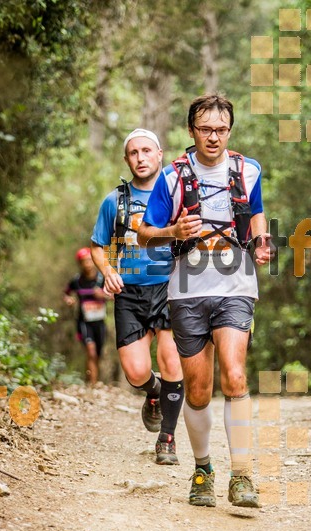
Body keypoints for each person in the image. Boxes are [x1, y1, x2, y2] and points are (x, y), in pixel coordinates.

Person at [138, 95, 273, 507]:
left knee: (234, 374)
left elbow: (257, 214)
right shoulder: (172, 178)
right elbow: (144, 232)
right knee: (198, 391)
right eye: (205, 129)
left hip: (236, 284)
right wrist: (174, 231)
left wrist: (262, 242)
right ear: (191, 131)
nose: (213, 137)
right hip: (188, 291)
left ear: (229, 130)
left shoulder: (247, 170)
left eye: (221, 129)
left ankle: (243, 476)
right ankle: (203, 469)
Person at [90, 129, 184, 465]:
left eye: (147, 151)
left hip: (170, 287)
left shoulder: (176, 196)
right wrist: (107, 270)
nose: (141, 158)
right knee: (135, 372)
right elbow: (98, 246)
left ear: (160, 154)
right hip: (129, 291)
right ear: (126, 159)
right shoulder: (114, 201)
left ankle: (167, 439)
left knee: (172, 361)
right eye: (133, 152)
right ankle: (155, 393)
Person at [63, 247, 108, 386]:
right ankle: (92, 386)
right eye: (84, 261)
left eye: (89, 260)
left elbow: (116, 295)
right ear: (80, 263)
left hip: (100, 322)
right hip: (84, 322)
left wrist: (103, 295)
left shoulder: (102, 279)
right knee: (91, 351)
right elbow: (66, 293)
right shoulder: (76, 281)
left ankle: (91, 378)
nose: (87, 264)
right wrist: (69, 300)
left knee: (97, 354)